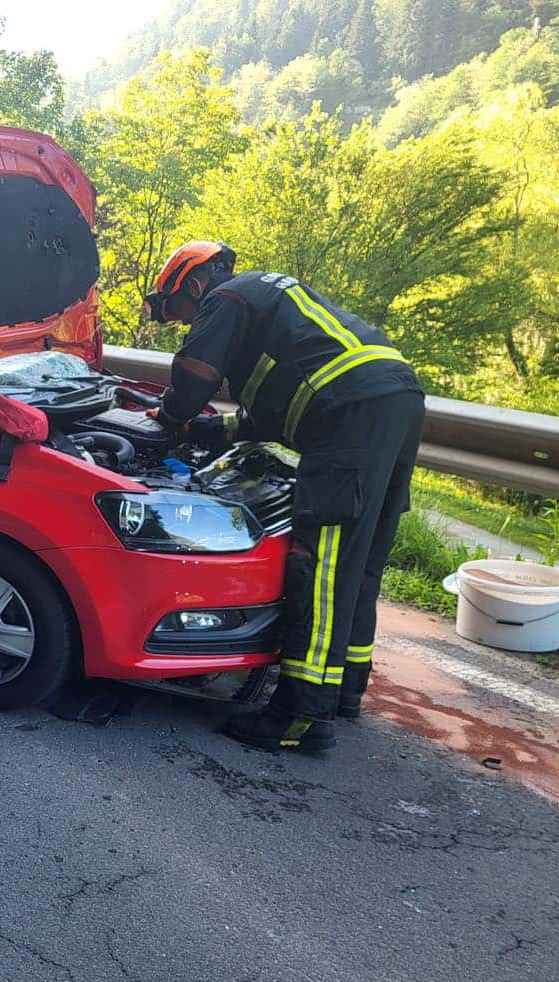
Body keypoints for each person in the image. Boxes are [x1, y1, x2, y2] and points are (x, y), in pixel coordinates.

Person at [142, 241, 425, 753]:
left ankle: (301, 716)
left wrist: (167, 421)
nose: (186, 325)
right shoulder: (270, 303)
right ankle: (341, 691)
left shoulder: (225, 298)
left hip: (351, 410)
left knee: (319, 564)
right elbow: (273, 415)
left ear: (195, 284)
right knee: (358, 560)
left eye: (179, 312)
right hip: (393, 397)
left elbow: (192, 378)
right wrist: (208, 433)